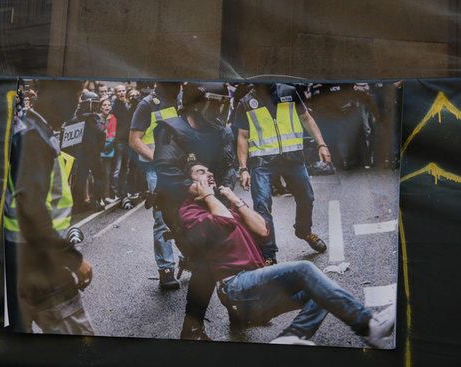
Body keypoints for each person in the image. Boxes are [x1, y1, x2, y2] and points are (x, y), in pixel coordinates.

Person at [178, 163, 396, 347]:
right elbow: (224, 222)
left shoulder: (222, 206)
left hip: (257, 288)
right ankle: (368, 325)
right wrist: (207, 194)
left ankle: (289, 338)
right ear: (189, 185)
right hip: (235, 286)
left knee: (320, 293)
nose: (209, 174)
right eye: (201, 172)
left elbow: (263, 230)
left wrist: (235, 200)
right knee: (303, 269)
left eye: (209, 171)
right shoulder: (189, 212)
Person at [4, 80, 94, 335]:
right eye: (77, 93)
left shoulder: (33, 128)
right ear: (58, 92)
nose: (78, 102)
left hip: (22, 256)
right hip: (41, 259)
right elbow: (32, 209)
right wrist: (72, 259)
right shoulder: (34, 135)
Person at [151, 82, 236, 340]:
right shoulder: (171, 131)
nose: (220, 109)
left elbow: (227, 166)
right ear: (197, 102)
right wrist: (198, 190)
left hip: (212, 199)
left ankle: (238, 305)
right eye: (215, 103)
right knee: (206, 262)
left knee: (238, 248)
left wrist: (224, 191)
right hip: (179, 205)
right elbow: (166, 174)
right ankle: (192, 328)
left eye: (224, 103)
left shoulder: (221, 132)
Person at [236, 83, 331, 264]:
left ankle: (304, 231)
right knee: (262, 205)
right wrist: (243, 168)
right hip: (262, 162)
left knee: (307, 197)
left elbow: (306, 118)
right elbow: (243, 136)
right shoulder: (246, 102)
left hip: (293, 158)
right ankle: (269, 253)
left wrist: (321, 144)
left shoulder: (288, 92)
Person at [129, 82, 181, 289]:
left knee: (188, 211)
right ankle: (166, 269)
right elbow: (134, 140)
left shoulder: (182, 100)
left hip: (181, 166)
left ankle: (189, 256)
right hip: (156, 169)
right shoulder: (147, 104)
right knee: (162, 218)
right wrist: (159, 159)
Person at [69, 89, 106, 214]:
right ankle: (95, 201)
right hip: (90, 153)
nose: (96, 106)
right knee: (94, 176)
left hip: (83, 154)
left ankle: (80, 204)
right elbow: (101, 134)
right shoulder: (92, 119)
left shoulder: (76, 118)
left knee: (81, 178)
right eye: (94, 103)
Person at [111, 84, 134, 202]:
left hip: (127, 141)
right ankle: (116, 192)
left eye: (123, 91)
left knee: (126, 168)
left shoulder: (127, 105)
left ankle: (123, 191)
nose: (121, 93)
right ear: (116, 93)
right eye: (119, 91)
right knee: (117, 169)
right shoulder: (115, 107)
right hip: (119, 141)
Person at [99, 97, 118, 203]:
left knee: (107, 173)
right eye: (104, 105)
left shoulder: (113, 118)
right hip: (97, 150)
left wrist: (105, 137)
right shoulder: (97, 118)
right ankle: (99, 196)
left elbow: (112, 134)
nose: (107, 107)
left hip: (108, 150)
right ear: (100, 107)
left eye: (108, 105)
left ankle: (106, 195)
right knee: (99, 174)